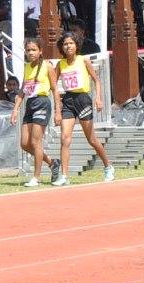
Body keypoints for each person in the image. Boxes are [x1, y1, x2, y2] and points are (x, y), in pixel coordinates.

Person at [53, 31, 114, 185]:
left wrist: (98, 98)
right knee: (64, 138)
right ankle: (64, 176)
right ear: (61, 47)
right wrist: (57, 109)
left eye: (71, 43)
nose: (68, 46)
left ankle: (108, 166)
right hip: (68, 100)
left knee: (91, 139)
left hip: (83, 99)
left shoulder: (83, 60)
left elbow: (96, 80)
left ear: (76, 45)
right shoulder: (60, 64)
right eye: (65, 44)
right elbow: (53, 86)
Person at [10, 38, 62, 187]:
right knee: (25, 143)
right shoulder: (27, 67)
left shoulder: (47, 66)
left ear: (40, 51)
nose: (31, 53)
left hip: (42, 102)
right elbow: (23, 89)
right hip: (30, 104)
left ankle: (36, 177)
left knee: (35, 142)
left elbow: (55, 89)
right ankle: (52, 163)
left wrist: (58, 111)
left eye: (34, 50)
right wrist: (15, 109)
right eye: (28, 50)